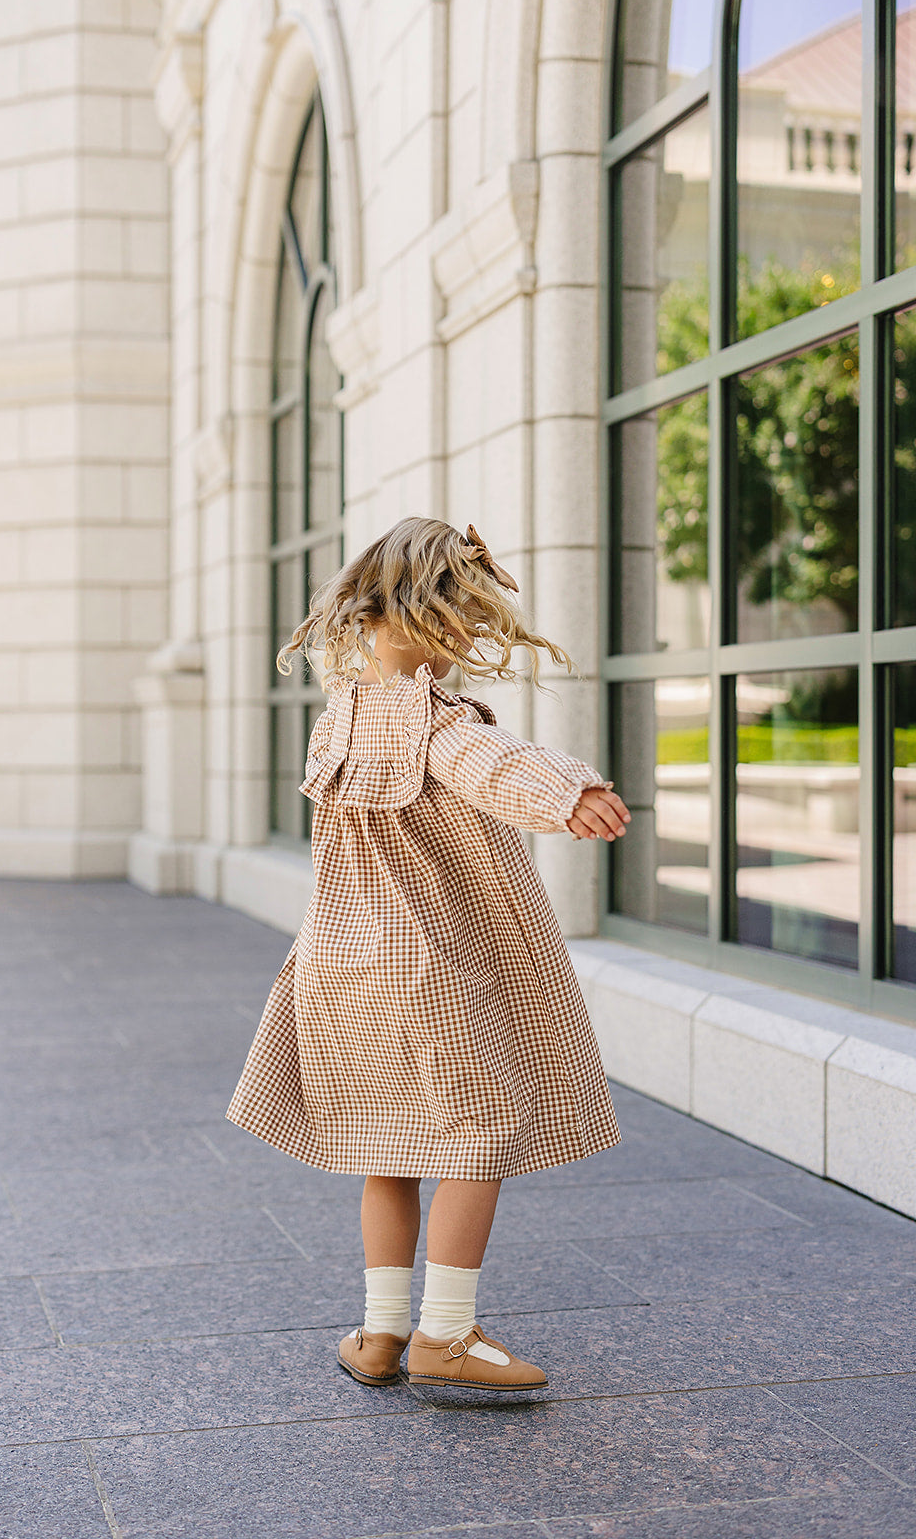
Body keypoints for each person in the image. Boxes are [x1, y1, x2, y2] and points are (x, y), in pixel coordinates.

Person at [225, 516, 630, 1392]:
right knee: (476, 1137)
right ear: (414, 617)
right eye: (456, 622)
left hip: (342, 964)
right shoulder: (431, 723)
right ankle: (445, 1334)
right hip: (424, 970)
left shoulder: (338, 724)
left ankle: (377, 1336)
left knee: (388, 1146)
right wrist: (572, 792)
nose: (461, 645)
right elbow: (490, 762)